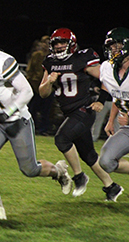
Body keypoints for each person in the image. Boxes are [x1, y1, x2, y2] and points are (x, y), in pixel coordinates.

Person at [0, 29, 73, 220]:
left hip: (17, 119)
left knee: (30, 169)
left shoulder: (1, 62)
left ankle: (58, 171)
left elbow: (27, 91)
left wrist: (9, 112)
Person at [39, 27, 123, 201]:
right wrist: (49, 81)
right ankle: (111, 187)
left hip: (84, 110)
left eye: (63, 42)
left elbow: (107, 78)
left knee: (61, 139)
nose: (60, 46)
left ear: (71, 44)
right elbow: (42, 93)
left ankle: (79, 177)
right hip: (69, 113)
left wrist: (101, 100)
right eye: (56, 43)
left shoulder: (82, 59)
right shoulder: (49, 62)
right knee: (88, 155)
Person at [98, 27, 129, 200]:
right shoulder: (108, 69)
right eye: (111, 47)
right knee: (106, 161)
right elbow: (118, 95)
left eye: (117, 46)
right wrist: (111, 120)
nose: (113, 51)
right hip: (127, 127)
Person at [26, 35, 54, 136]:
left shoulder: (53, 57)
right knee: (32, 109)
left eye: (48, 43)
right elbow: (29, 70)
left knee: (46, 111)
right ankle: (31, 128)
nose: (45, 45)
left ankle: (44, 129)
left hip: (48, 87)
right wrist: (32, 83)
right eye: (44, 43)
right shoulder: (36, 55)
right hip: (35, 86)